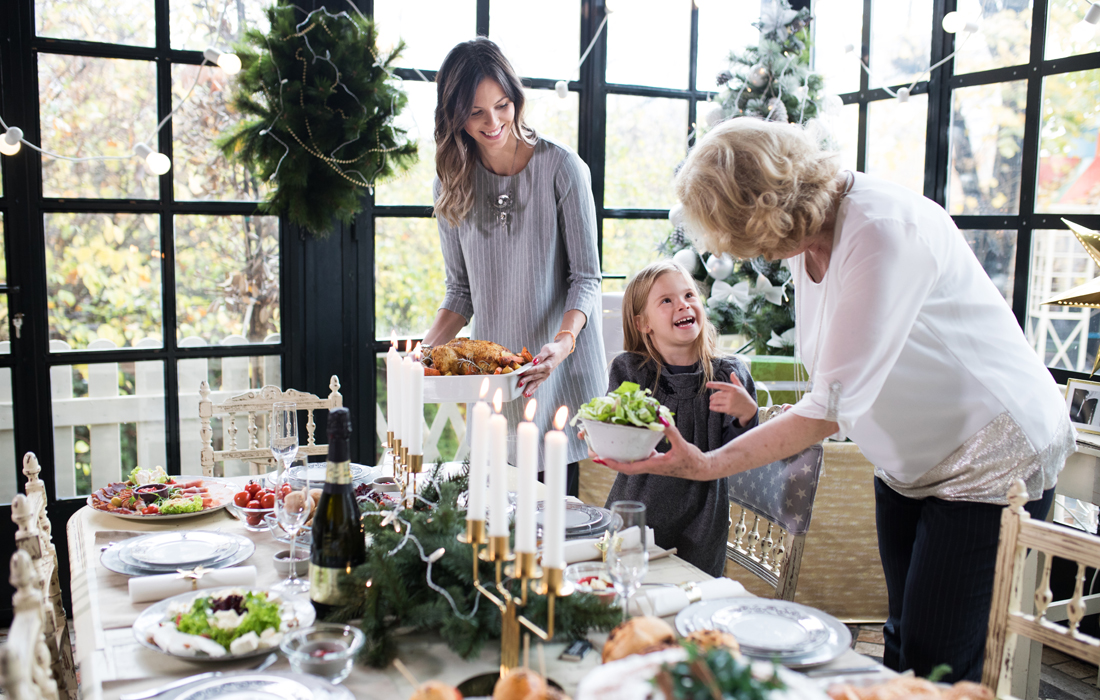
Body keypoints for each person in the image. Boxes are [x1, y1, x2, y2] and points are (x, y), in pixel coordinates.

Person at [598, 118, 1074, 682]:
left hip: (993, 457)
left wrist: (703, 465)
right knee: (903, 640)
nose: (753, 255)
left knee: (935, 661)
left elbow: (825, 408)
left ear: (766, 207)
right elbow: (837, 376)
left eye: (744, 236)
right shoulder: (806, 238)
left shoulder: (880, 230)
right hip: (907, 466)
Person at [422, 38, 606, 495]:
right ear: (454, 116)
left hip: (561, 371)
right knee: (504, 518)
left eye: (501, 106)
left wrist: (560, 346)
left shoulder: (563, 168)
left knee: (555, 524)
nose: (493, 122)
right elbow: (459, 293)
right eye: (475, 113)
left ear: (515, 99)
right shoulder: (452, 182)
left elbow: (586, 278)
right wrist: (421, 355)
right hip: (501, 382)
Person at [598, 260, 758, 576]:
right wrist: (607, 426)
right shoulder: (630, 371)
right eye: (667, 300)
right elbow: (620, 439)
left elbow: (739, 459)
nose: (682, 304)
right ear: (643, 323)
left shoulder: (731, 375)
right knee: (626, 592)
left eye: (688, 295)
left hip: (702, 522)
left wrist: (746, 415)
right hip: (637, 511)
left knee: (690, 596)